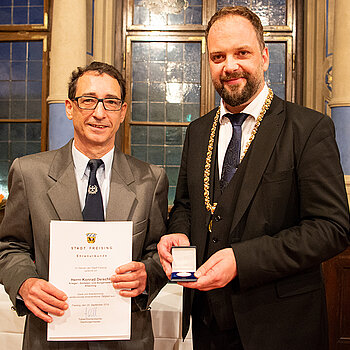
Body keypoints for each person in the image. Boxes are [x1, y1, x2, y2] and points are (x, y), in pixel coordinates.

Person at [157, 6, 350, 350]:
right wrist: (177, 232)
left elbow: (331, 229)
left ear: (263, 57)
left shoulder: (308, 129)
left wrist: (241, 261)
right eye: (218, 56)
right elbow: (186, 205)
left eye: (241, 53)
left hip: (281, 327)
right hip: (207, 324)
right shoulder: (198, 131)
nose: (229, 66)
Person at [0, 61, 168, 350]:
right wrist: (25, 283)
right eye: (88, 100)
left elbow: (157, 251)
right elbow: (10, 247)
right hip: (51, 333)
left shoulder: (150, 179)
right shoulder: (29, 174)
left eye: (111, 102)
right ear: (69, 107)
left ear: (123, 112)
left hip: (127, 336)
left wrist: (147, 275)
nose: (99, 113)